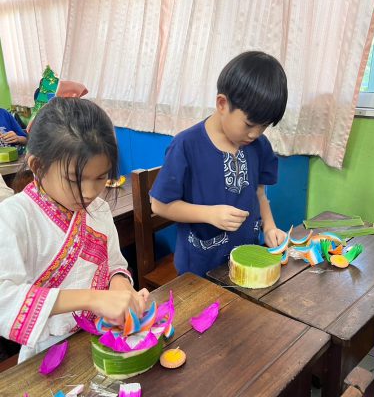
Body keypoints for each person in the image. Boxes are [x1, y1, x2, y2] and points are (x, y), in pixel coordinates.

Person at [0, 97, 148, 362]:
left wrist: (121, 285)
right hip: (45, 351)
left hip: (101, 337)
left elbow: (115, 264)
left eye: (101, 177)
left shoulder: (99, 209)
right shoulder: (13, 217)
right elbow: (5, 297)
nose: (90, 192)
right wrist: (91, 299)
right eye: (74, 179)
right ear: (37, 166)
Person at [150, 51, 288, 277]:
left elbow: (259, 193)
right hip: (198, 271)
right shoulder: (186, 145)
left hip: (246, 263)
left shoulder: (259, 146)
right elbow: (159, 206)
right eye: (249, 124)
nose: (255, 134)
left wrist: (270, 227)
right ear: (222, 104)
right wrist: (209, 214)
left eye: (263, 126)